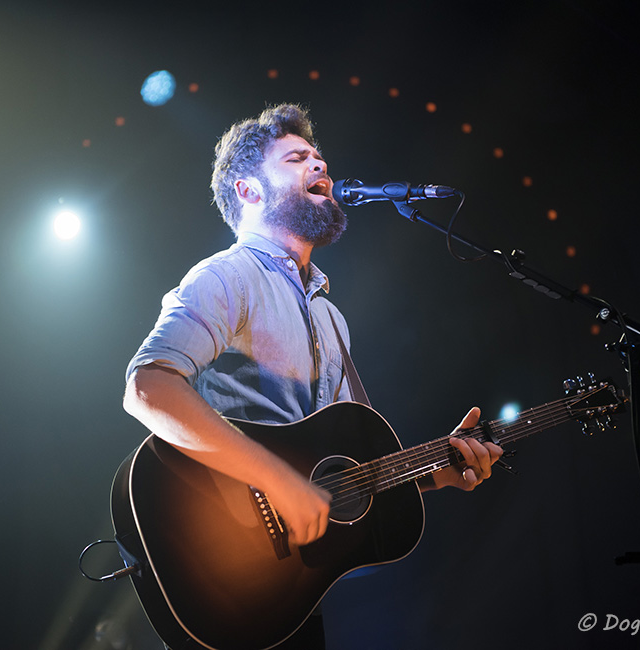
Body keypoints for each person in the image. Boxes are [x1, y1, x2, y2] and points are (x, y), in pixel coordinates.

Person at [122, 104, 502, 649]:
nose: (320, 165)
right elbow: (147, 387)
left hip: (288, 590)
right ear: (248, 191)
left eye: (319, 158)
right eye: (297, 158)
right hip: (221, 561)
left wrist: (438, 471)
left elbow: (345, 471)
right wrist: (277, 480)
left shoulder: (330, 316)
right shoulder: (226, 276)